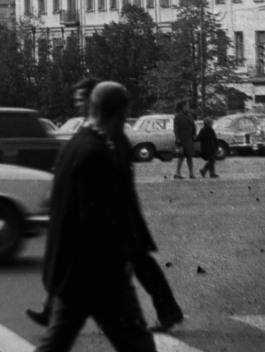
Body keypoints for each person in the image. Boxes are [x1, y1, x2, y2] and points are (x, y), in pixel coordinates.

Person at [0, 80, 231, 352]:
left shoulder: (80, 144)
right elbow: (97, 222)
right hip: (100, 275)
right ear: (118, 113)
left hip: (74, 274)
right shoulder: (97, 153)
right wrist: (124, 262)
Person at [27, 78, 184, 333]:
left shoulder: (110, 134)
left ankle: (164, 311)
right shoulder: (98, 130)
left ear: (94, 101)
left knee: (133, 267)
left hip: (118, 217)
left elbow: (115, 177)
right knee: (137, 266)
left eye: (81, 98)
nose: (77, 102)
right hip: (119, 217)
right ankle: (52, 312)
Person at [173, 101, 197, 179]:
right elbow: (176, 129)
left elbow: (193, 126)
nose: (187, 108)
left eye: (188, 106)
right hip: (182, 140)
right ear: (181, 107)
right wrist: (178, 139)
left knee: (189, 157)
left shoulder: (190, 115)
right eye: (186, 106)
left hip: (189, 139)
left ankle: (191, 173)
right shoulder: (178, 117)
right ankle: (177, 172)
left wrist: (194, 135)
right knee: (181, 156)